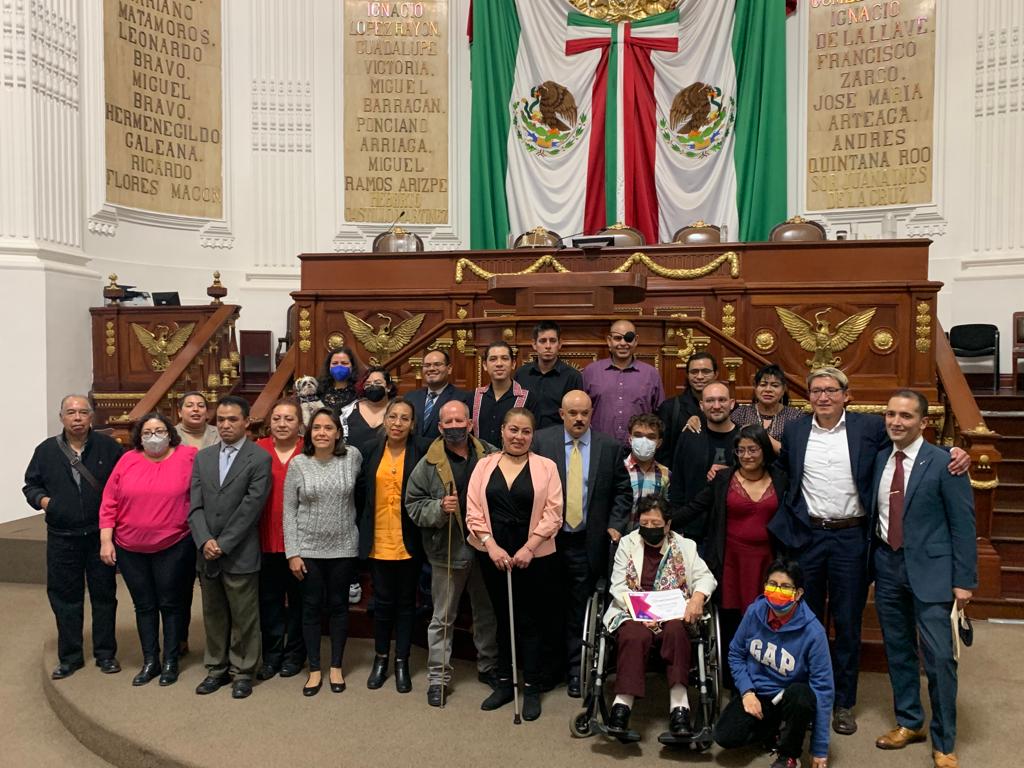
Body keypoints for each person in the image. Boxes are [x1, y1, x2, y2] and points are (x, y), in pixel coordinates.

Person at [767, 367, 970, 736]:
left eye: (831, 390)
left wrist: (951, 452)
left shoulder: (868, 428)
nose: (823, 396)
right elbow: (779, 468)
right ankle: (808, 698)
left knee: (847, 624)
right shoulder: (795, 430)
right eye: (816, 391)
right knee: (804, 623)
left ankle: (842, 703)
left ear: (847, 395)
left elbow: (908, 445)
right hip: (807, 537)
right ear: (807, 397)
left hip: (852, 539)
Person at [870, 390, 976, 768]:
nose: (896, 422)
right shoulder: (881, 457)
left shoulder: (946, 461)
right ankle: (910, 721)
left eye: (906, 416)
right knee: (898, 651)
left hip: (933, 573)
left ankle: (944, 741)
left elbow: (964, 525)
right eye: (890, 414)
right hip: (887, 565)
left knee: (940, 659)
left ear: (923, 422)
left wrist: (964, 582)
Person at [531, 389, 632, 697]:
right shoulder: (541, 442)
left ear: (591, 414)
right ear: (562, 414)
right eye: (572, 413)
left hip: (588, 542)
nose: (578, 418)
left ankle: (577, 670)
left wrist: (615, 526)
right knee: (548, 607)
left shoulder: (609, 448)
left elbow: (622, 492)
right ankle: (550, 670)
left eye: (584, 413)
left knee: (580, 610)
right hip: (548, 541)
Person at [466, 408, 562, 720]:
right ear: (502, 431)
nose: (518, 437)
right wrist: (490, 547)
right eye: (513, 430)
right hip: (494, 556)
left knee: (531, 621)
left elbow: (553, 513)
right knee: (501, 618)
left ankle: (531, 686)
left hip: (532, 556)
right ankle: (506, 683)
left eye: (525, 432)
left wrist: (529, 548)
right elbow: (473, 512)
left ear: (533, 436)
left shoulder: (546, 467)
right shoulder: (484, 465)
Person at [406, 399, 500, 707]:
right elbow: (413, 504)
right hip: (447, 550)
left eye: (461, 421)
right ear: (440, 427)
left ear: (470, 424)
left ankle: (488, 667)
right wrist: (438, 508)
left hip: (484, 549)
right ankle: (438, 677)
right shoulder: (429, 463)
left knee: (486, 614)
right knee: (443, 617)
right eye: (449, 422)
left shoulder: (490, 454)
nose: (456, 426)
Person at [23, 394, 123, 680]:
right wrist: (47, 503)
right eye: (71, 412)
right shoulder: (46, 451)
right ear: (61, 417)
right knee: (65, 598)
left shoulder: (108, 448)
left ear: (91, 417)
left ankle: (106, 653)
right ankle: (70, 657)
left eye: (83, 412)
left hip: (98, 536)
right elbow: (31, 486)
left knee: (105, 596)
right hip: (62, 537)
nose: (77, 417)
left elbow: (121, 487)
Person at [680, 424, 786, 687]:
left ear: (764, 450)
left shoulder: (781, 479)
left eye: (753, 449)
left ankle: (760, 674)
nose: (748, 455)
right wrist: (664, 520)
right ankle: (730, 677)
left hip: (767, 561)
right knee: (731, 619)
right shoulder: (724, 479)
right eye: (741, 450)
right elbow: (697, 506)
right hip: (730, 560)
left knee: (764, 618)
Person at [603, 495, 716, 737]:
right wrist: (642, 611)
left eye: (656, 524)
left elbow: (706, 578)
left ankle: (679, 706)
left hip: (673, 612)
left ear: (668, 525)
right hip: (635, 610)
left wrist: (697, 598)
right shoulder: (628, 543)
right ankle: (622, 705)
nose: (650, 529)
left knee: (676, 631)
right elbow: (617, 586)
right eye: (645, 523)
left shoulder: (686, 546)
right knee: (634, 635)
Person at [99, 412, 197, 687]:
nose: (154, 437)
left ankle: (170, 660)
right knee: (143, 605)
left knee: (170, 602)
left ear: (170, 433)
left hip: (174, 544)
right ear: (139, 438)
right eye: (147, 433)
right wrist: (106, 540)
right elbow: (109, 502)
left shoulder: (188, 456)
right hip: (130, 547)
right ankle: (150, 660)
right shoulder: (127, 460)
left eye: (159, 431)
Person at [189, 395, 272, 699]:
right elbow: (194, 505)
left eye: (232, 419)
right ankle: (216, 668)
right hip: (206, 550)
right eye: (220, 420)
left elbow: (251, 508)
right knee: (213, 613)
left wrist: (222, 544)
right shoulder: (204, 457)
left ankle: (244, 671)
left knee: (244, 615)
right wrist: (204, 540)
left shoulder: (259, 458)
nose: (225, 425)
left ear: (246, 422)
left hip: (239, 551)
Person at [714, 558, 834, 768]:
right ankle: (775, 730)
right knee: (724, 736)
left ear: (798, 593)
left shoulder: (814, 633)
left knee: (801, 697)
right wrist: (747, 692)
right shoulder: (754, 612)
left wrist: (820, 749)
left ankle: (789, 754)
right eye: (772, 585)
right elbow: (735, 653)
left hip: (789, 696)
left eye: (786, 587)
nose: (777, 591)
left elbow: (823, 689)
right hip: (758, 693)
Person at [283, 407, 363, 697]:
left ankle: (337, 666)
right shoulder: (298, 464)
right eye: (316, 427)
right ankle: (315, 668)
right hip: (308, 549)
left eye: (328, 427)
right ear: (309, 433)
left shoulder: (352, 458)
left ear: (338, 433)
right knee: (311, 608)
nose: (322, 433)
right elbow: (288, 511)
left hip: (343, 547)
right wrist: (293, 552)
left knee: (340, 607)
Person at [359, 397, 425, 693]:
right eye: (393, 417)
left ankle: (402, 661)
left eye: (404, 418)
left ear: (412, 425)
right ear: (384, 421)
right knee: (382, 604)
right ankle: (381, 658)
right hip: (379, 539)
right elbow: (361, 495)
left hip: (409, 540)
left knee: (406, 604)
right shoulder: (371, 450)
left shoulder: (422, 451)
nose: (397, 423)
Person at [255, 398, 306, 681]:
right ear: (269, 422)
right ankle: (272, 656)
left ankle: (295, 655)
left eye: (289, 419)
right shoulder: (257, 450)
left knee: (299, 602)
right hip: (264, 540)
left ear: (299, 423)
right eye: (277, 419)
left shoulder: (308, 450)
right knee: (269, 601)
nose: (282, 424)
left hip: (300, 543)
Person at [668, 381, 738, 539]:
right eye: (710, 400)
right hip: (692, 529)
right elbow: (678, 483)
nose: (716, 405)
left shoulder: (743, 439)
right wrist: (676, 522)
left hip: (731, 529)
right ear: (701, 405)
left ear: (732, 403)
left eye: (722, 400)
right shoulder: (689, 436)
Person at [582, 319, 665, 444]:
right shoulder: (591, 372)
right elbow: (582, 411)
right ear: (609, 341)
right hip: (600, 447)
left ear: (636, 340)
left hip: (639, 448)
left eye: (628, 338)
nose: (623, 343)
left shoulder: (651, 374)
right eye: (617, 338)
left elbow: (660, 414)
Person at [514, 320, 583, 429]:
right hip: (525, 436)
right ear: (534, 344)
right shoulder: (521, 374)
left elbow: (576, 414)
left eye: (552, 341)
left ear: (559, 344)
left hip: (558, 438)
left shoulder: (572, 376)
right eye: (542, 341)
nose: (548, 346)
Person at [471, 340, 539, 447]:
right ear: (484, 365)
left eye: (505, 358)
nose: (499, 364)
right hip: (480, 461)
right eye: (493, 359)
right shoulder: (474, 397)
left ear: (513, 364)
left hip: (516, 461)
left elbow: (535, 437)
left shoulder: (529, 399)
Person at [657, 351, 718, 464]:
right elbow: (662, 451)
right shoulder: (670, 408)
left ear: (716, 374)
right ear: (687, 375)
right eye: (694, 372)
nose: (699, 376)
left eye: (706, 371)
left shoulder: (727, 407)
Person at [731, 364, 803, 454]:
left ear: (784, 389)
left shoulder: (795, 416)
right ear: (755, 387)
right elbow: (733, 447)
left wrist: (760, 435)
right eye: (763, 385)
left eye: (775, 385)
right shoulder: (741, 413)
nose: (768, 389)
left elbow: (796, 452)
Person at [406, 348, 472, 439]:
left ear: (449, 369)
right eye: (427, 365)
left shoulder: (462, 398)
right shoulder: (410, 398)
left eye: (437, 364)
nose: (431, 369)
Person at [623, 413, 671, 531]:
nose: (644, 441)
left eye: (651, 437)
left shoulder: (665, 474)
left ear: (659, 443)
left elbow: (666, 510)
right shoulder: (618, 469)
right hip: (619, 540)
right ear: (630, 439)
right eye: (638, 435)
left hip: (651, 539)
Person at [340, 365, 395, 455]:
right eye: (368, 384)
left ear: (388, 387)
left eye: (377, 383)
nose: (372, 386)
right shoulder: (349, 411)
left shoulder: (397, 410)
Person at [317, 346, 361, 414]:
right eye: (335, 363)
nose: (339, 366)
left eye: (344, 363)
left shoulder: (359, 391)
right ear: (329, 366)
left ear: (352, 366)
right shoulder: (319, 389)